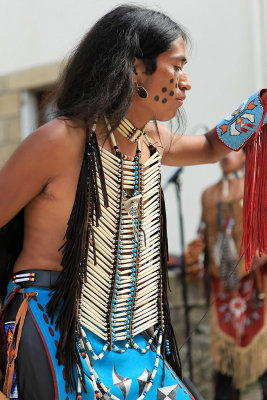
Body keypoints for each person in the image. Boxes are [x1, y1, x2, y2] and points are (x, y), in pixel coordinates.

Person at [0, 5, 266, 400]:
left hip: (132, 336)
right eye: (176, 67)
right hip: (52, 321)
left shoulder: (152, 140)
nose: (186, 83)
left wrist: (261, 104)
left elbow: (212, 145)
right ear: (136, 70)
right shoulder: (59, 141)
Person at [185, 150, 267, 400]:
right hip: (222, 287)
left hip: (254, 285)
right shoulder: (208, 195)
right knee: (224, 362)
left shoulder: (257, 186)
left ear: (245, 156)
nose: (226, 155)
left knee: (263, 355)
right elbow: (203, 232)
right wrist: (195, 252)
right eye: (223, 149)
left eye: (234, 149)